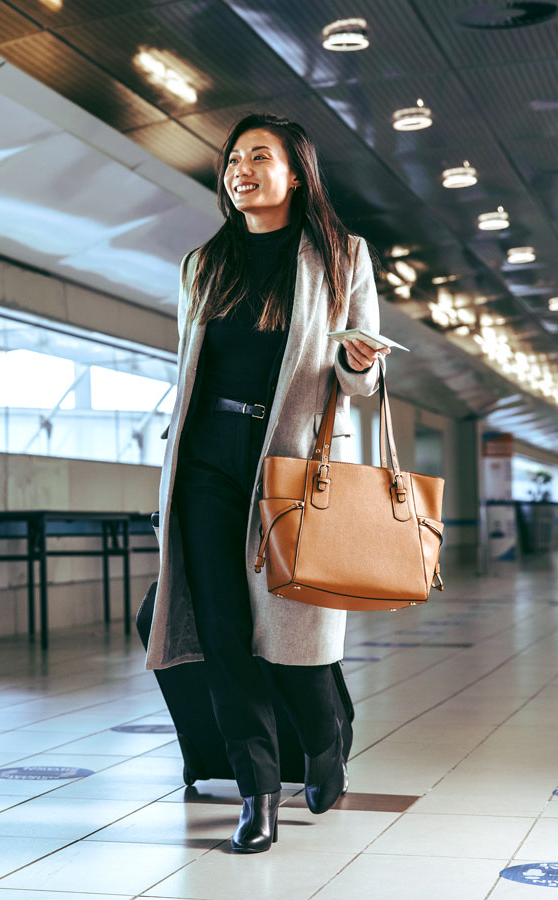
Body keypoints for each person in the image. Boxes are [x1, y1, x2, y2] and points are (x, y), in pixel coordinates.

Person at [142, 113, 389, 853]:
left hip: (290, 467)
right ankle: (257, 794)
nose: (239, 170)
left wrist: (364, 361)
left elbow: (364, 384)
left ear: (296, 172)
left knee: (293, 638)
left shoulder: (342, 256)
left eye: (258, 156)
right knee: (225, 636)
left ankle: (324, 739)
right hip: (207, 462)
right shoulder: (203, 264)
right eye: (231, 161)